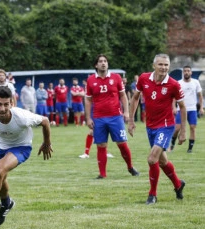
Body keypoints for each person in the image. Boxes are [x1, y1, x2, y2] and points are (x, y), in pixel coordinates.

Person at [0, 86, 52, 229]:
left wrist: (46, 143)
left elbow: (45, 121)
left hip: (21, 147)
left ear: (12, 103)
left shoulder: (22, 116)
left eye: (6, 104)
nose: (2, 108)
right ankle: (6, 203)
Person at [128, 53, 186, 205]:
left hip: (166, 126)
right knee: (162, 161)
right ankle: (178, 185)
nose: (164, 67)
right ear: (154, 65)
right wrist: (131, 120)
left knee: (152, 158)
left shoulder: (173, 84)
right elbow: (135, 98)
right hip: (150, 126)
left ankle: (152, 195)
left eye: (166, 65)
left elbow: (182, 107)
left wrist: (183, 131)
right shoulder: (144, 79)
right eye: (160, 64)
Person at [85, 54, 139, 179]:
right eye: (100, 61)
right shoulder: (91, 80)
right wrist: (88, 118)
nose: (103, 63)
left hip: (115, 117)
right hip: (98, 118)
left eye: (105, 61)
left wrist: (126, 112)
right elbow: (88, 100)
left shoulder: (116, 77)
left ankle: (130, 167)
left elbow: (123, 96)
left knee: (122, 143)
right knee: (101, 145)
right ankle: (102, 174)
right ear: (96, 65)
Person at [170, 65, 203, 153]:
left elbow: (200, 96)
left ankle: (190, 149)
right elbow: (173, 97)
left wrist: (201, 108)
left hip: (192, 109)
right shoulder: (179, 83)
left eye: (188, 71)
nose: (187, 72)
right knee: (177, 128)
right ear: (183, 72)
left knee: (192, 128)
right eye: (185, 71)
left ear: (191, 72)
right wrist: (173, 107)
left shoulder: (195, 82)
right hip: (180, 109)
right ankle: (172, 144)